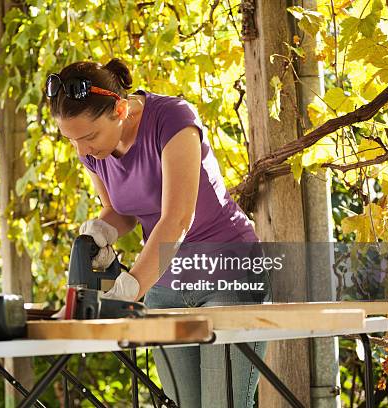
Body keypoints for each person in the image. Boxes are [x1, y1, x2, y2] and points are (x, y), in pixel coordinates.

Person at [46, 58, 272, 408]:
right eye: (72, 140)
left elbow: (178, 217)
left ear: (120, 109)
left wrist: (131, 287)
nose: (82, 151)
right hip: (164, 285)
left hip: (227, 273)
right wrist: (101, 229)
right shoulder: (92, 150)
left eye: (89, 137)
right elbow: (122, 210)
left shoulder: (173, 119)